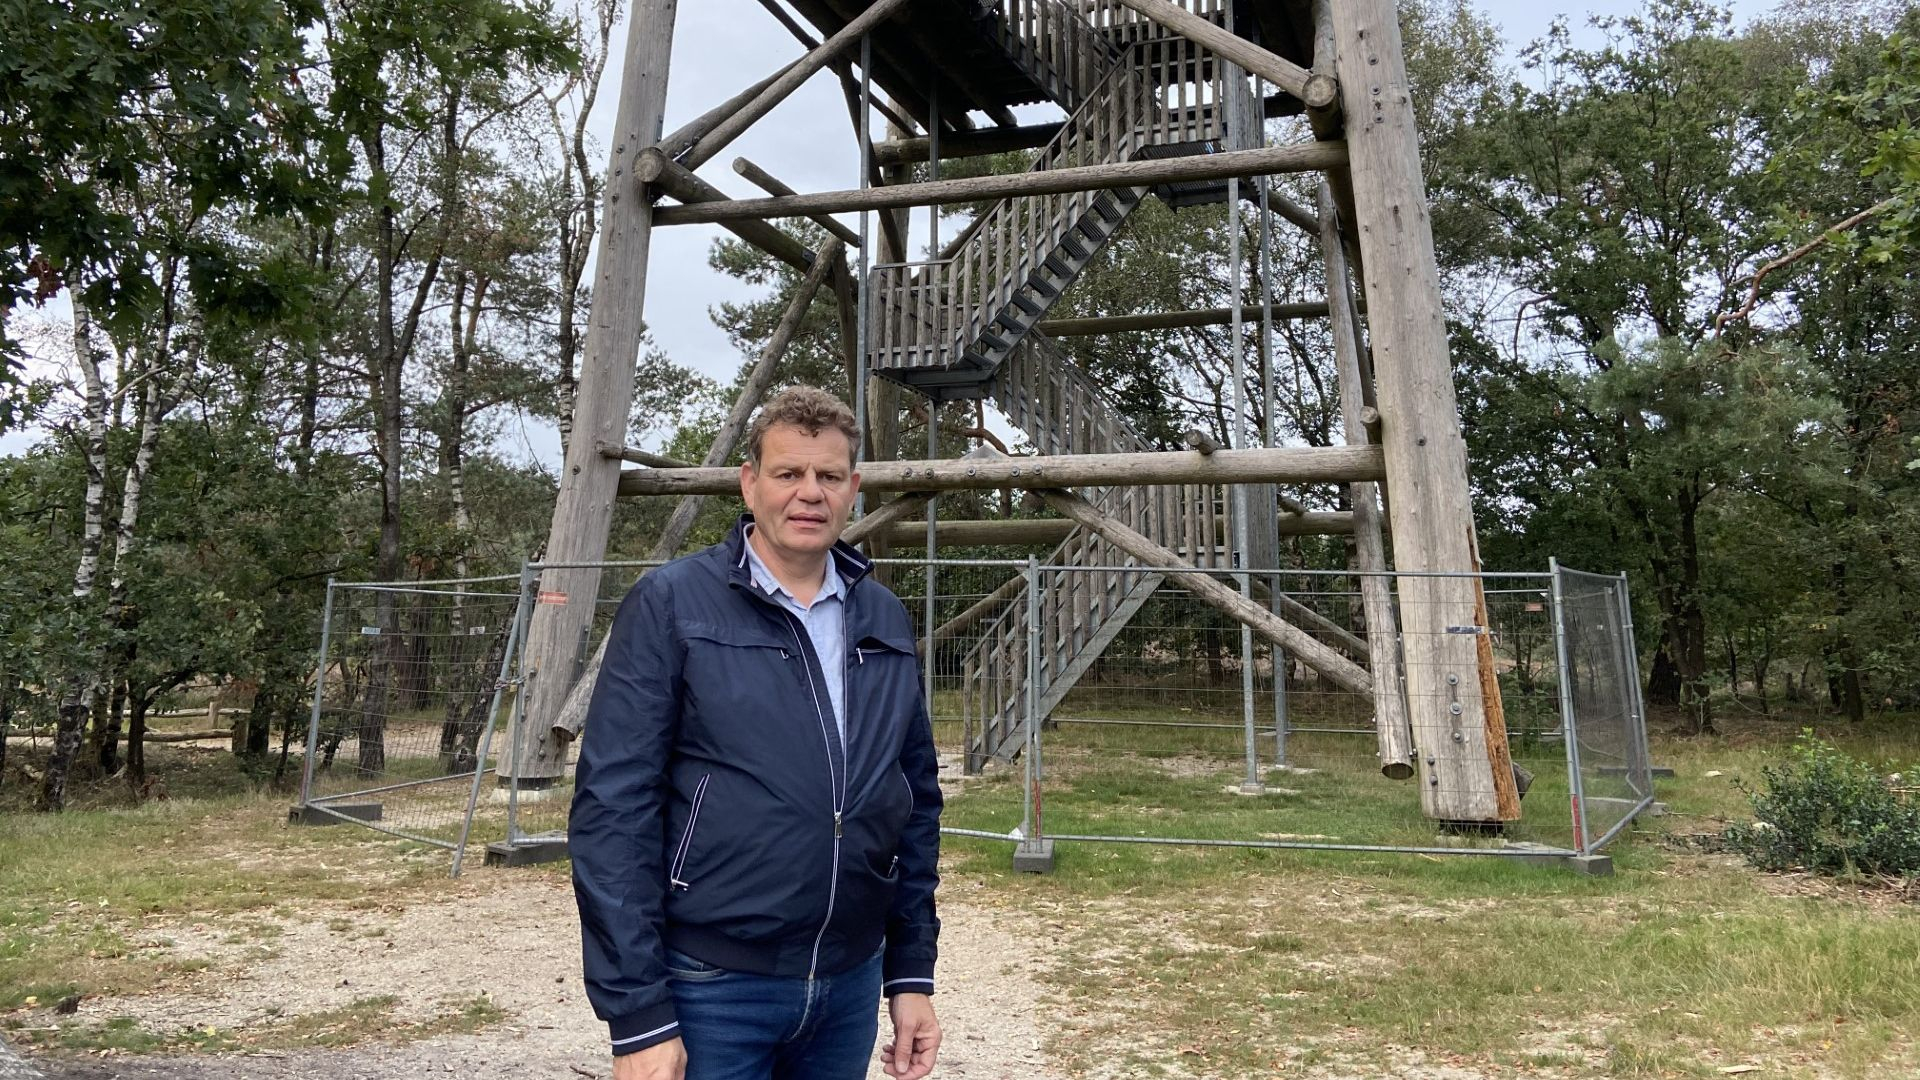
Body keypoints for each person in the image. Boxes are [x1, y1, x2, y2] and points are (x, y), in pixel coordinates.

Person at [570, 385, 943, 1080]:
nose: (810, 493)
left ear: (853, 488)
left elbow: (914, 799)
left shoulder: (883, 616)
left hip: (849, 982)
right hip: (713, 985)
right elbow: (613, 812)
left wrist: (911, 974)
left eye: (829, 476)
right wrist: (640, 1016)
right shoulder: (671, 605)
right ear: (749, 483)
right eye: (788, 474)